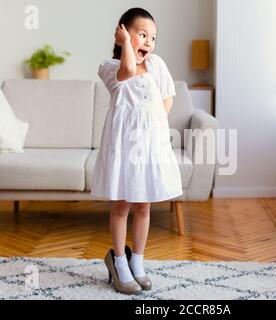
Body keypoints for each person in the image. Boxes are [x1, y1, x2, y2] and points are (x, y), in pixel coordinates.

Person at [91, 7, 183, 295]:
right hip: (123, 147)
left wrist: (154, 127)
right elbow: (128, 70)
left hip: (149, 146)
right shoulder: (109, 67)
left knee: (144, 205)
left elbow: (167, 99)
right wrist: (125, 46)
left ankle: (138, 261)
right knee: (123, 205)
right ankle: (118, 260)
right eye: (141, 35)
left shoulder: (157, 65)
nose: (148, 43)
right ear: (122, 33)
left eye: (153, 37)